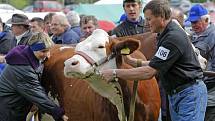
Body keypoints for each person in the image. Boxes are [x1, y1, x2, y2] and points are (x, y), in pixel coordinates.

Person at [101, 0, 207, 120]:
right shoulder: (165, 34)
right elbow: (160, 63)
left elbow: (149, 72)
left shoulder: (172, 38)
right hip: (180, 93)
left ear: (161, 17)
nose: (146, 23)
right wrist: (134, 62)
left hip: (188, 94)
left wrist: (114, 73)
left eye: (149, 19)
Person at [0, 32, 68, 121]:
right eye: (43, 51)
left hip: (14, 105)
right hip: (9, 109)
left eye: (48, 51)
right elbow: (37, 94)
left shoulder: (27, 56)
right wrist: (57, 112)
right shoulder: (23, 69)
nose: (47, 55)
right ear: (33, 49)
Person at [186, 4, 215, 121]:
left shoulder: (213, 36)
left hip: (210, 91)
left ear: (207, 20)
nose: (193, 25)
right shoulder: (193, 36)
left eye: (196, 22)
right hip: (198, 91)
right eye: (191, 22)